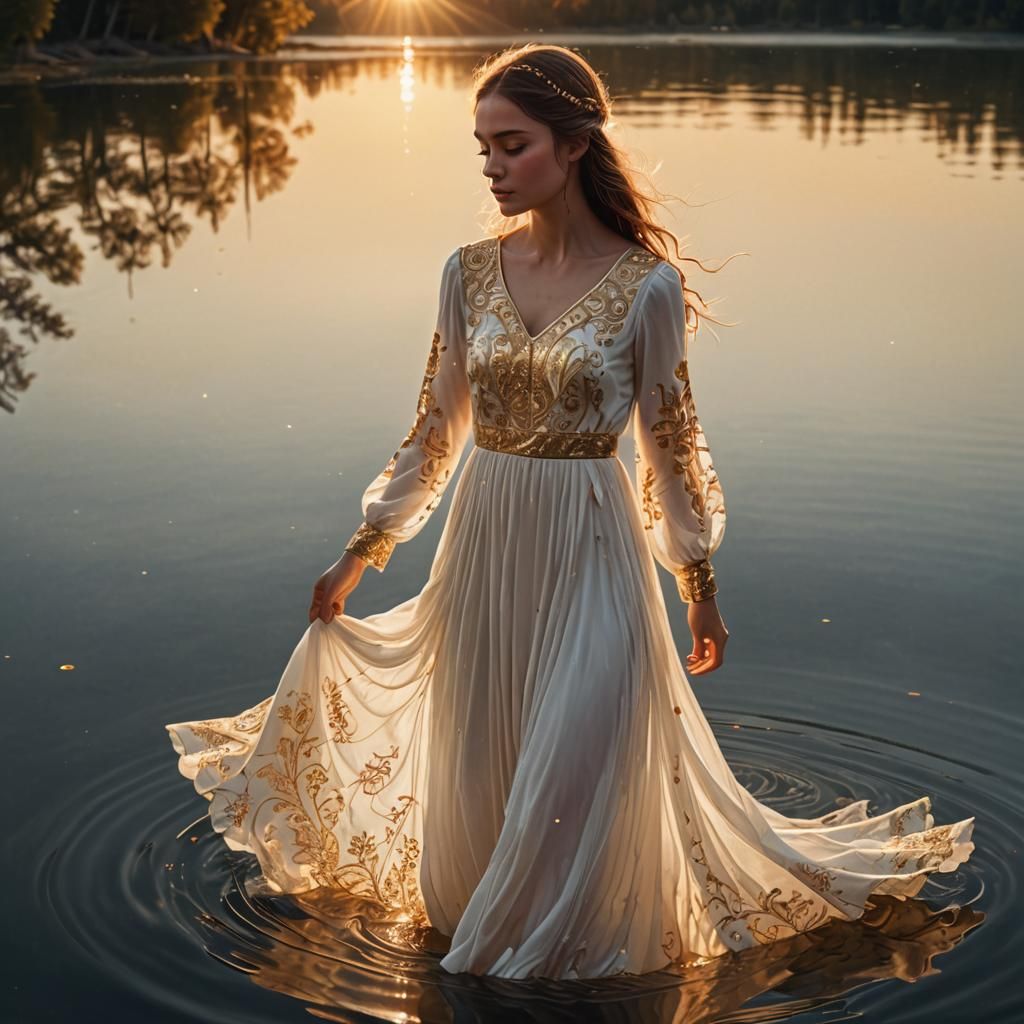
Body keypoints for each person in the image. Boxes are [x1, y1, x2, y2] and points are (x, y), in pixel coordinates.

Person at [166, 43, 975, 981]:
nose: (493, 167)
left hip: (595, 549)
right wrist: (365, 547)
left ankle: (563, 964)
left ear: (576, 143)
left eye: (513, 145)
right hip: (484, 543)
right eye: (484, 149)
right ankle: (483, 944)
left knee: (579, 759)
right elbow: (435, 428)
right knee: (480, 765)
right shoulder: (467, 273)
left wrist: (697, 579)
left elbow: (671, 445)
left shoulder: (647, 287)